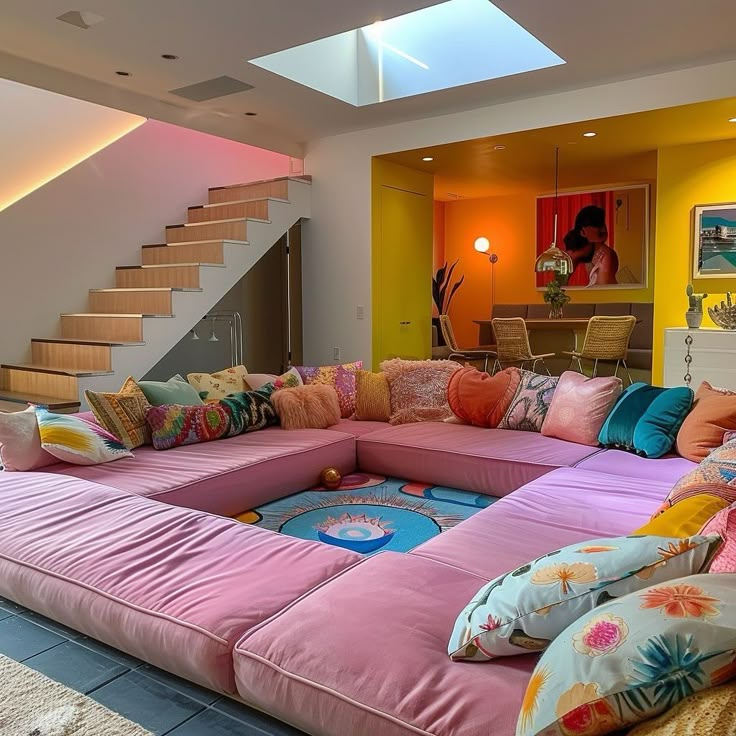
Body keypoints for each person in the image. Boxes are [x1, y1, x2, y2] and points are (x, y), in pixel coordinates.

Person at [563, 205, 619, 286]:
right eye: (596, 225)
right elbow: (561, 280)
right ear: (583, 231)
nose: (603, 229)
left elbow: (602, 290)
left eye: (603, 224)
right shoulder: (588, 251)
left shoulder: (606, 254)